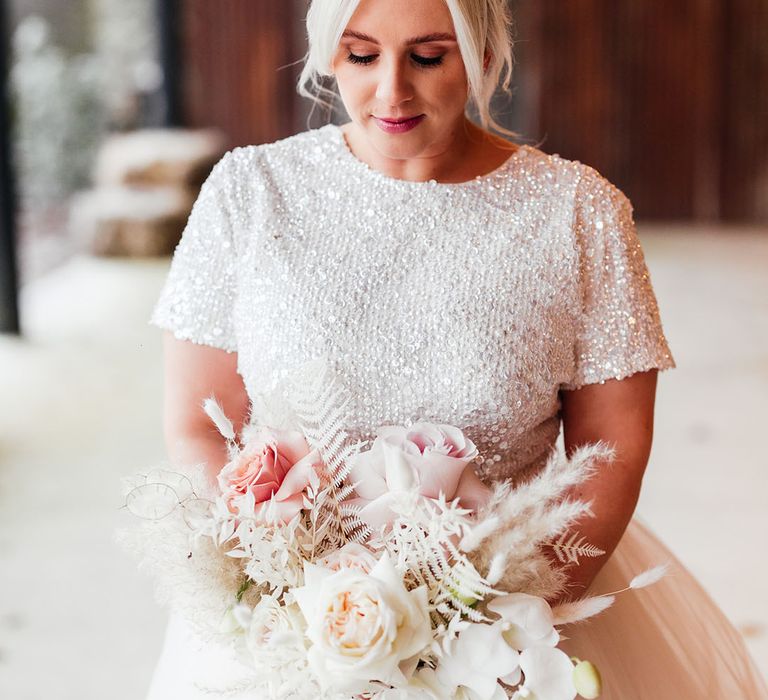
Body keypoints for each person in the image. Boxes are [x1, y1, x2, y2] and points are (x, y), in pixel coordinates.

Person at [144, 0, 768, 697]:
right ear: (327, 55)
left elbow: (613, 447)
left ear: (485, 58)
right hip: (288, 633)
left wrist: (485, 630)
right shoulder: (247, 193)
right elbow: (199, 425)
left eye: (428, 56)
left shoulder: (579, 211)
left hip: (508, 631)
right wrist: (288, 598)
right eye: (360, 55)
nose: (391, 90)